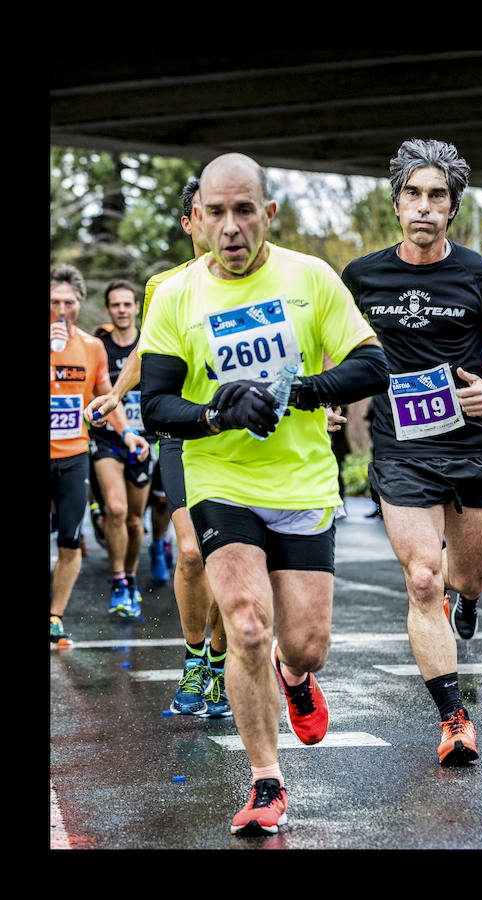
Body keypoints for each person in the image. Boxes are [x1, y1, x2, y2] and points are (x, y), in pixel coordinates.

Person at [137, 152, 389, 836]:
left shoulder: (309, 277)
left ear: (268, 214)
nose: (231, 227)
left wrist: (298, 391)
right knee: (247, 624)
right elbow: (156, 405)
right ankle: (266, 781)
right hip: (221, 481)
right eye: (216, 212)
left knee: (303, 644)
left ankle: (297, 677)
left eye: (244, 210)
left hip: (303, 482)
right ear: (198, 220)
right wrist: (218, 412)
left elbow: (372, 364)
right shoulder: (177, 296)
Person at [342, 138, 482, 767]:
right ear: (397, 203)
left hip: (470, 442)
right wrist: (333, 397)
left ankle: (468, 602)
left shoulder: (479, 275)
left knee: (468, 576)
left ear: (451, 208)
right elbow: (334, 341)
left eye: (437, 197)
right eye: (413, 195)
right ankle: (455, 719)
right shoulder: (363, 275)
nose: (424, 207)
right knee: (423, 578)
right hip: (401, 448)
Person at [85, 178, 231, 718]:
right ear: (191, 221)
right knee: (191, 552)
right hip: (181, 431)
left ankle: (219, 662)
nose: (220, 223)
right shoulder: (164, 285)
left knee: (223, 560)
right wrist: (115, 395)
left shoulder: (260, 283)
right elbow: (148, 351)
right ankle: (196, 659)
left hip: (239, 437)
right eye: (206, 212)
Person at [50, 264, 148, 646]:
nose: (61, 309)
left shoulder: (92, 347)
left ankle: (55, 617)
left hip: (74, 456)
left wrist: (128, 434)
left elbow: (106, 396)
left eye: (68, 302)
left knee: (70, 542)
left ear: (79, 304)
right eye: (54, 302)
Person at [89, 279, 153, 617]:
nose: (122, 310)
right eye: (116, 305)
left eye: (127, 304)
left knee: (133, 520)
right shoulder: (99, 346)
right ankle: (119, 582)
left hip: (143, 440)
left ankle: (130, 576)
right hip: (107, 440)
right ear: (108, 309)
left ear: (137, 307)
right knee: (114, 508)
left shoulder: (152, 342)